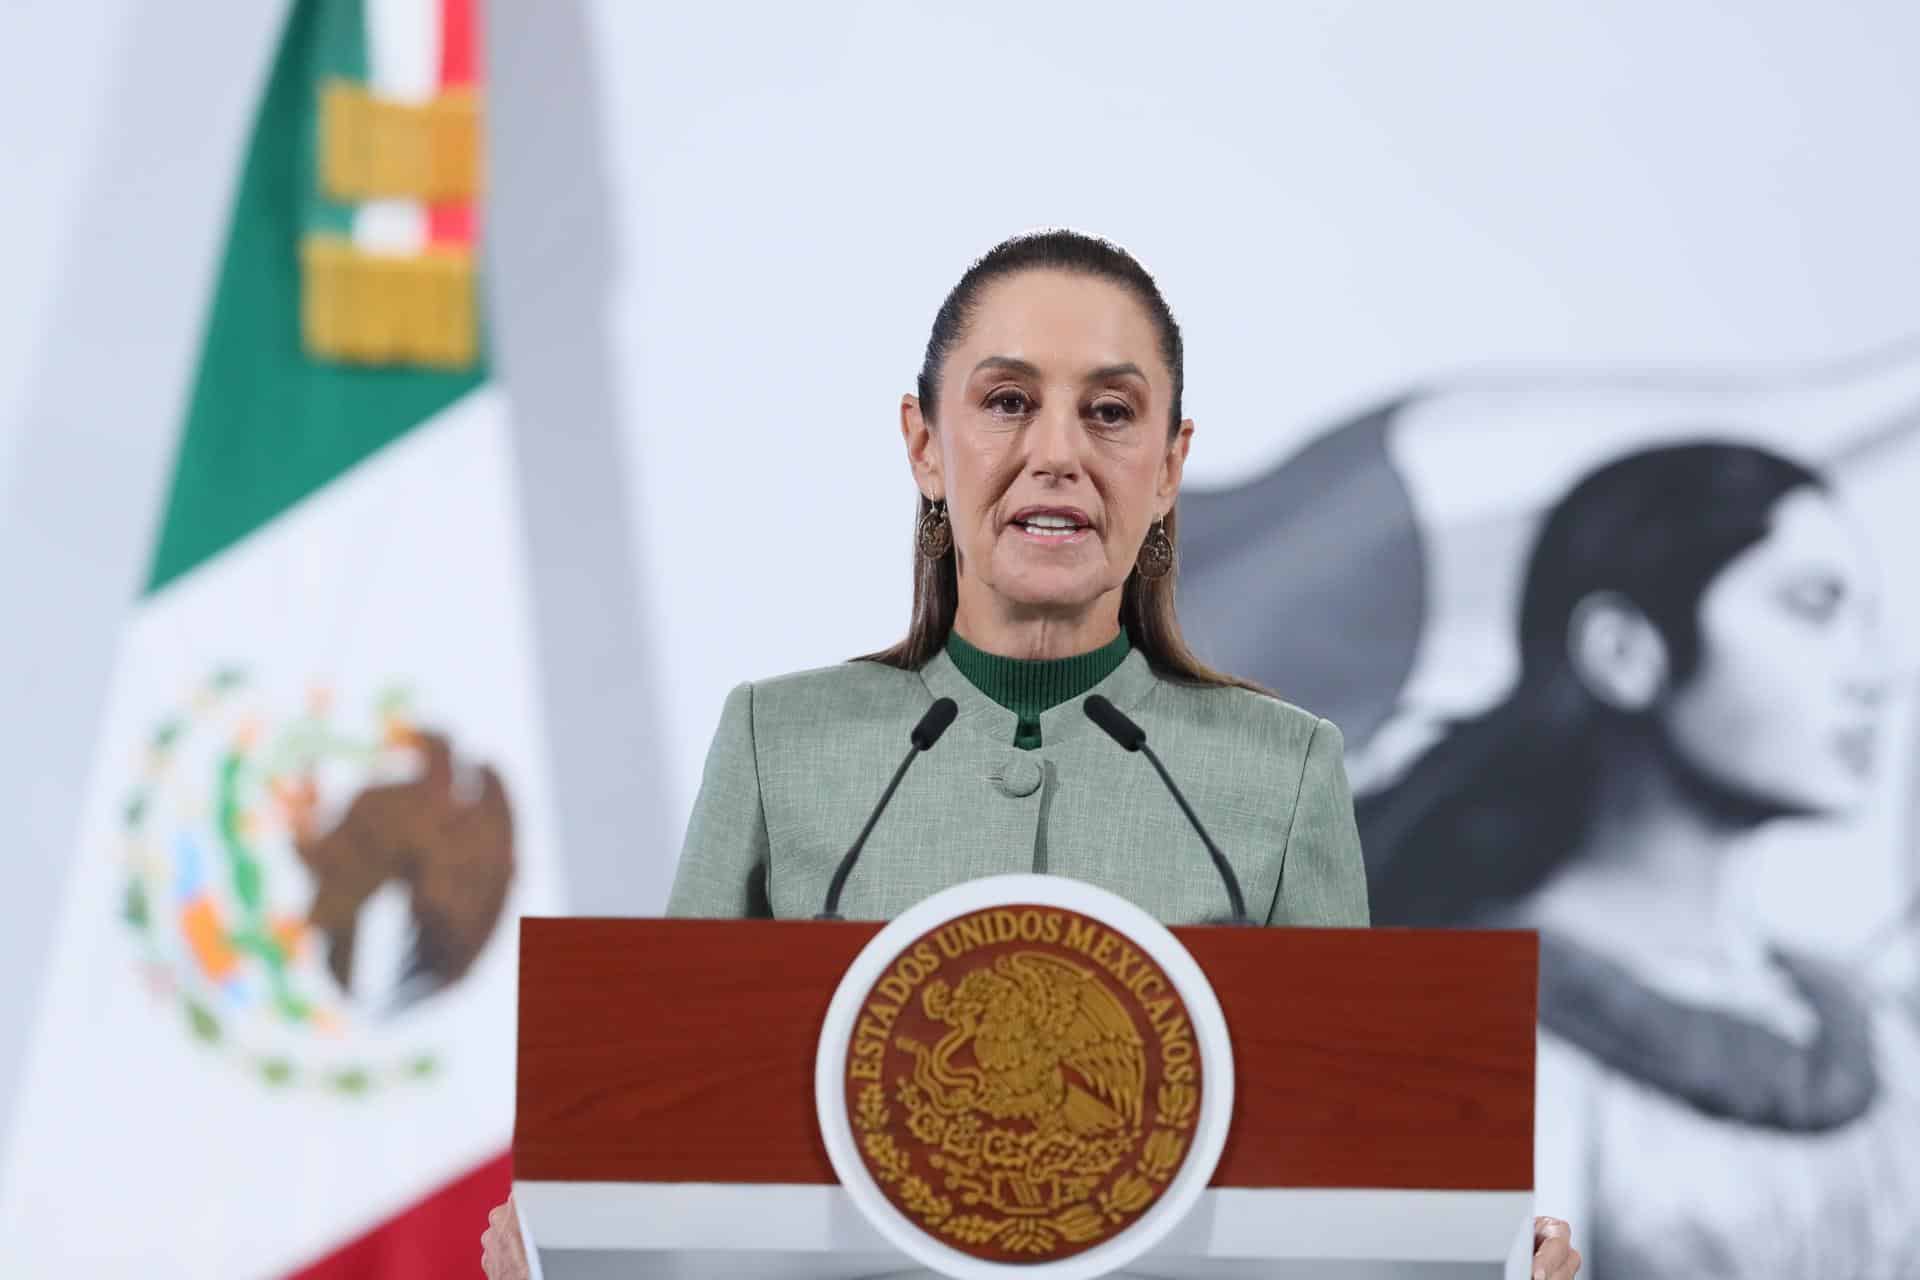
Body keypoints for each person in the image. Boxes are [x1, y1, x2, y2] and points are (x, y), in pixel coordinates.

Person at [481, 230, 1582, 1279]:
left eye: (1110, 412)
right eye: (1008, 402)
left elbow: (1350, 1181)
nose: (1057, 452)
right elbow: (672, 1143)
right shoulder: (780, 743)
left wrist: (1472, 1257)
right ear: (923, 443)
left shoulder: (1283, 771)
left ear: (1169, 465)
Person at [1363, 441, 1919, 1276]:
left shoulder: (1881, 1033)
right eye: (1813, 605)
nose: (1876, 674)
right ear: (1626, 650)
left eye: (1868, 619)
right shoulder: (1462, 1037)